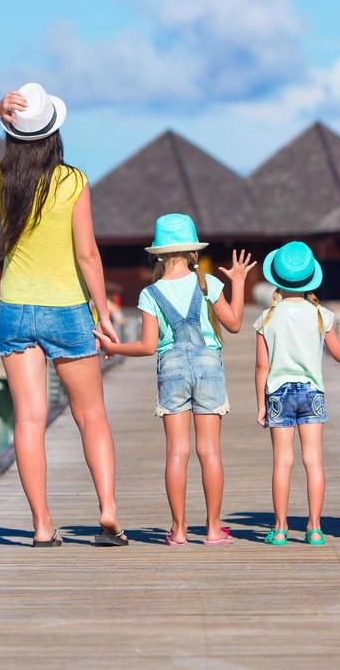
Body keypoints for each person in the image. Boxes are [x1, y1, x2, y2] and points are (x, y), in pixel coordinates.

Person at [0, 83, 125, 548]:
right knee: (91, 417)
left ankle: (43, 527)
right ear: (54, 133)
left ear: (13, 132)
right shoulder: (72, 182)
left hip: (15, 309)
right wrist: (104, 313)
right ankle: (107, 510)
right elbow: (88, 255)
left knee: (29, 421)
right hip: (67, 308)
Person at [96, 213, 255, 546]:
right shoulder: (208, 284)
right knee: (209, 452)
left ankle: (179, 530)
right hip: (209, 366)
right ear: (192, 252)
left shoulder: (150, 294)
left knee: (176, 453)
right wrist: (238, 282)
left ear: (157, 254)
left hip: (171, 370)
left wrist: (114, 346)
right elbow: (235, 324)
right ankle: (213, 529)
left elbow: (147, 346)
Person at [252, 240, 340, 546]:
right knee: (313, 461)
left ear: (276, 278)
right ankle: (314, 528)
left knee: (282, 463)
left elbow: (262, 367)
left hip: (278, 394)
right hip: (312, 392)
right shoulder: (321, 315)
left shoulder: (267, 318)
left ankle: (280, 527)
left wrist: (261, 404)